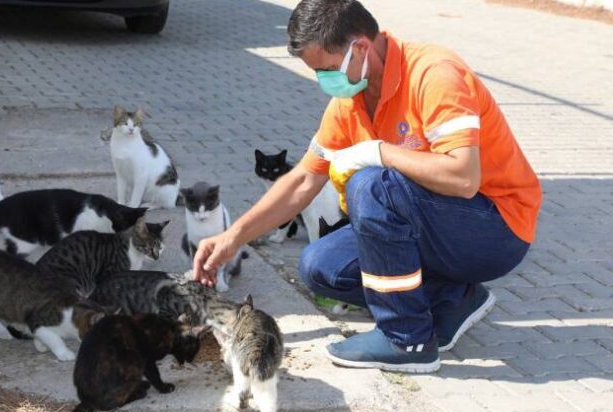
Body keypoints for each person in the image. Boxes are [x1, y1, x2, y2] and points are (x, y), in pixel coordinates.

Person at [192, 0, 541, 373]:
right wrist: (233, 237)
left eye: (326, 69)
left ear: (359, 47)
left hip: (493, 229)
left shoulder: (434, 74)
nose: (323, 80)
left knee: (371, 184)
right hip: (436, 225)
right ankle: (452, 298)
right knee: (320, 266)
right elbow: (303, 180)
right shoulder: (351, 98)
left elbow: (464, 178)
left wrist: (378, 151)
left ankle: (406, 340)